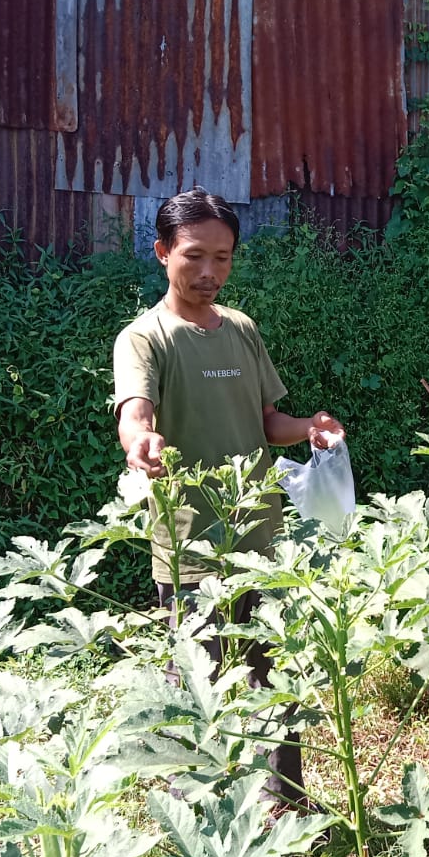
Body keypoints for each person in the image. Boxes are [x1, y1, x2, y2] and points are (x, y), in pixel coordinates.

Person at [112, 186, 342, 810]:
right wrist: (141, 439)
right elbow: (135, 412)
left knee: (278, 675)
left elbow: (268, 422)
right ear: (162, 253)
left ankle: (286, 799)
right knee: (200, 681)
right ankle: (197, 811)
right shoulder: (146, 338)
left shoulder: (241, 329)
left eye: (223, 257)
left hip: (263, 538)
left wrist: (311, 428)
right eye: (193, 256)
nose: (209, 272)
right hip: (193, 546)